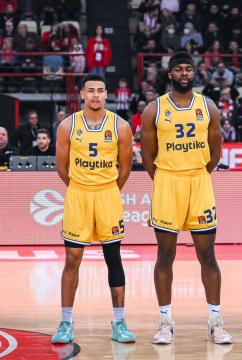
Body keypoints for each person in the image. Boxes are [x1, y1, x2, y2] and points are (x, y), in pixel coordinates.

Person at [140, 52, 232, 345]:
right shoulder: (154, 109)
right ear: (170, 74)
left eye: (188, 69)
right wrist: (165, 179)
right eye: (178, 69)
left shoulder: (208, 106)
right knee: (165, 255)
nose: (183, 74)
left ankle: (216, 321)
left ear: (194, 73)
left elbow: (215, 151)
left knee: (207, 255)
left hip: (199, 182)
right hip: (167, 182)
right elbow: (147, 154)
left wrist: (198, 173)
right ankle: (165, 321)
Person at [51, 74, 135, 344]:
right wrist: (81, 186)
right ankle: (65, 322)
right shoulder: (67, 125)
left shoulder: (120, 126)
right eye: (91, 91)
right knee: (72, 260)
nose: (96, 95)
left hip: (108, 195)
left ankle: (119, 323)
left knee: (114, 258)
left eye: (100, 91)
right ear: (82, 95)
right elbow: (61, 168)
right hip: (78, 195)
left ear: (106, 94)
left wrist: (107, 188)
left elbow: (126, 168)